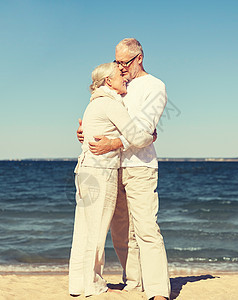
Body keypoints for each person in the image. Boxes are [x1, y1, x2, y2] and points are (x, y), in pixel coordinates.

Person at [77, 38, 171, 300]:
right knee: (120, 231)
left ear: (139, 58)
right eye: (116, 61)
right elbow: (107, 120)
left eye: (124, 62)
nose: (119, 67)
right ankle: (134, 281)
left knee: (146, 229)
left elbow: (143, 130)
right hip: (110, 167)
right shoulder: (120, 84)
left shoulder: (155, 87)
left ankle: (158, 290)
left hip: (139, 166)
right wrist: (88, 134)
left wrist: (112, 143)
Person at [68, 62, 154, 297]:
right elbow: (136, 136)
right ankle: (92, 284)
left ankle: (78, 283)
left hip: (85, 171)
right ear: (108, 81)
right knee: (96, 231)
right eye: (119, 75)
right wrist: (151, 135)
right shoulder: (109, 103)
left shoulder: (94, 104)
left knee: (84, 230)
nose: (124, 77)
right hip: (100, 172)